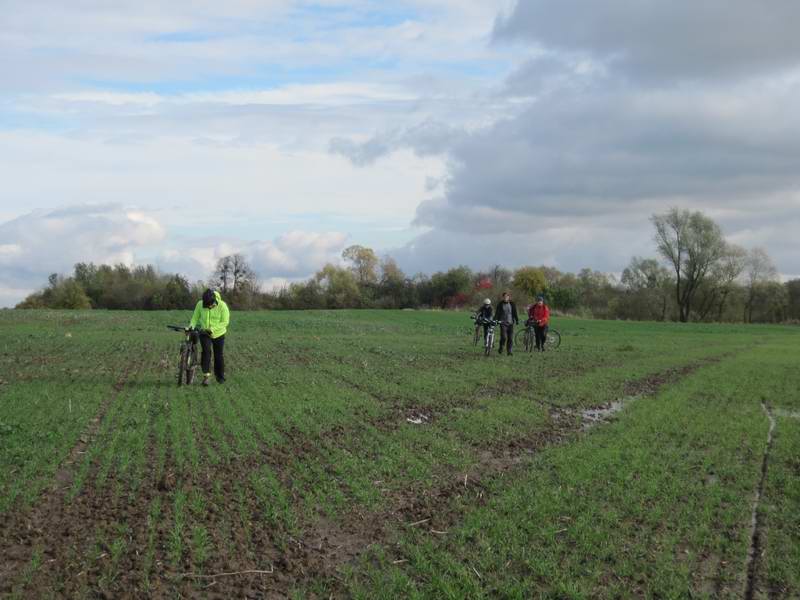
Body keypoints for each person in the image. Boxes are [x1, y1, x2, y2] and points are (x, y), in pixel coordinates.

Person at [189, 288, 230, 386]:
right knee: (206, 353)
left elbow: (225, 322)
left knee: (218, 355)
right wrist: (190, 327)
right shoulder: (200, 304)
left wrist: (213, 329)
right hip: (204, 333)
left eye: (210, 305)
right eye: (206, 305)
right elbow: (195, 318)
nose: (208, 306)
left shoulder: (222, 306)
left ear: (214, 300)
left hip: (219, 333)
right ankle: (206, 377)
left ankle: (220, 378)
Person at [493, 291, 518, 355]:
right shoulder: (500, 304)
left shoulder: (512, 303)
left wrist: (516, 319)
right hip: (503, 322)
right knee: (504, 337)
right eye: (504, 297)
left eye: (507, 297)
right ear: (503, 297)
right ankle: (501, 347)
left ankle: (509, 351)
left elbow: (515, 312)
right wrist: (495, 320)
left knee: (510, 338)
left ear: (509, 297)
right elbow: (497, 313)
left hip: (511, 323)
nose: (505, 298)